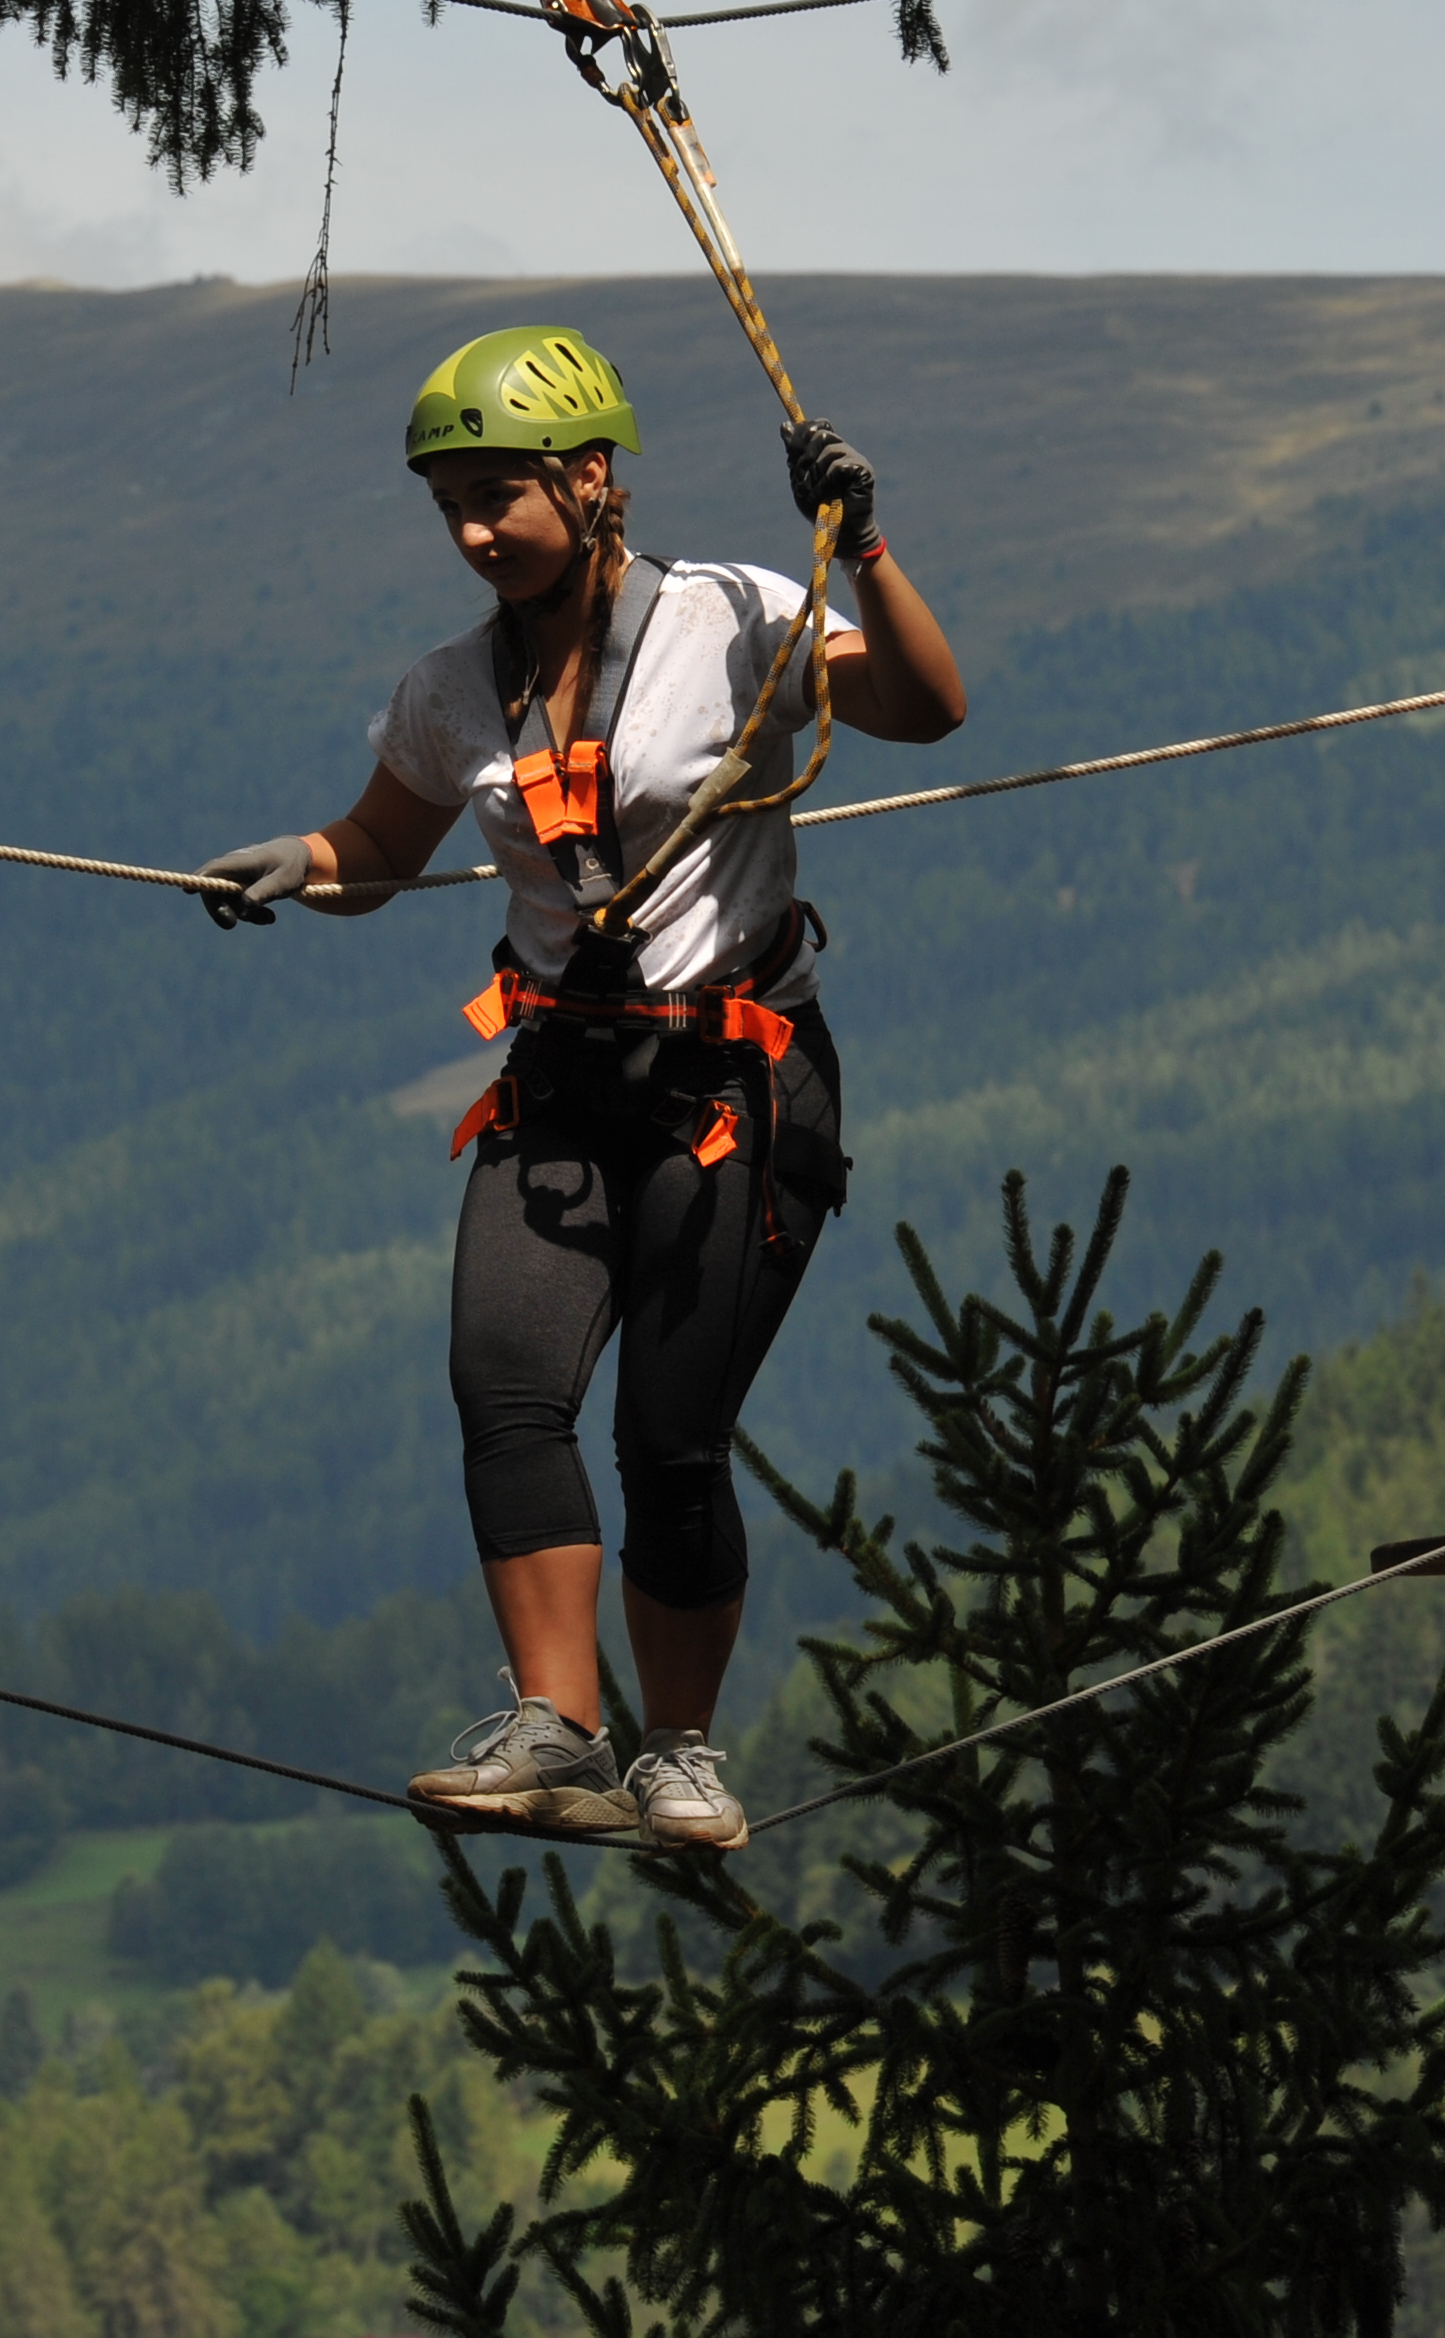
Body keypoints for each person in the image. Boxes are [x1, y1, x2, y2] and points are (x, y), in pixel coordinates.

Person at [195, 327, 966, 1847]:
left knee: (670, 1438)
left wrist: (861, 547)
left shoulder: (740, 617)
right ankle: (560, 1726)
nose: (476, 532)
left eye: (501, 496)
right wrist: (306, 863)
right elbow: (381, 849)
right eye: (452, 508)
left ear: (592, 478)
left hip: (734, 1087)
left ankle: (678, 1751)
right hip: (560, 1093)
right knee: (506, 1393)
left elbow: (926, 708)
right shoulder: (449, 694)